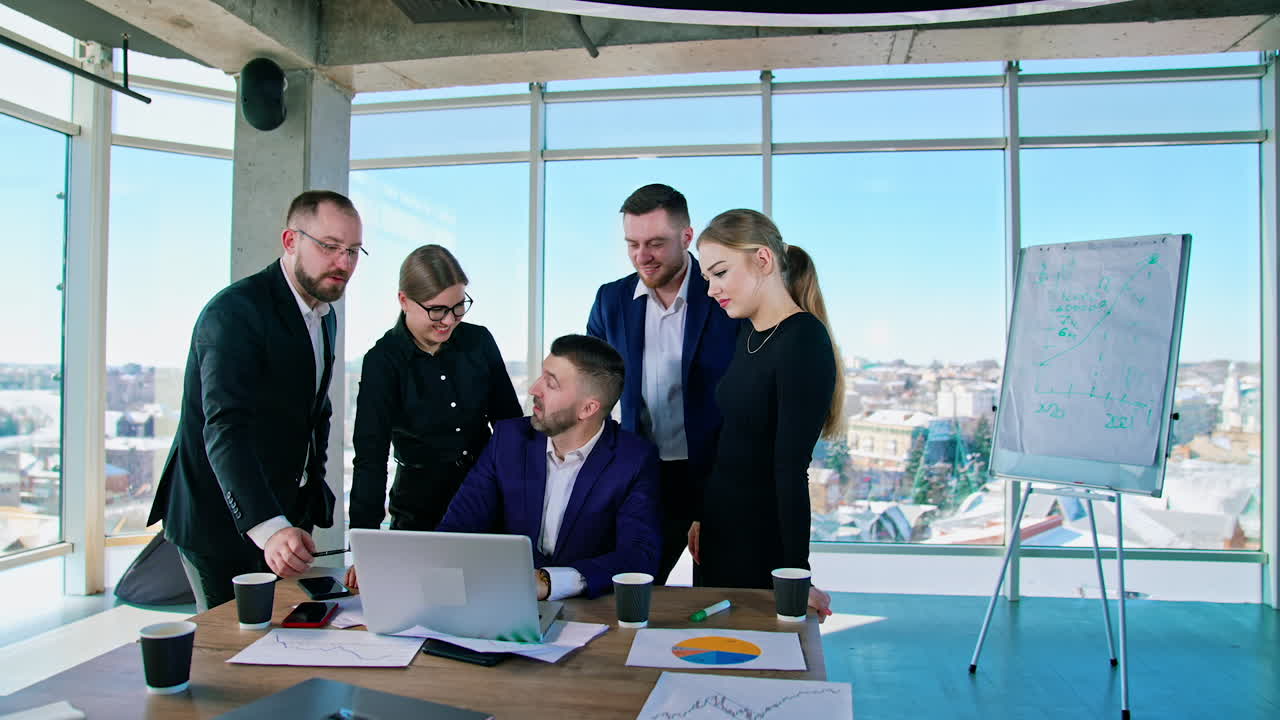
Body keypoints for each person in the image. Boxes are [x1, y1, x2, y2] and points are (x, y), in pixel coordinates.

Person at [147, 190, 363, 612]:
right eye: (330, 247)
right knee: (230, 647)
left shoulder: (325, 315)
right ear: (290, 241)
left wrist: (304, 502)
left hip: (285, 516)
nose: (344, 263)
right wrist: (271, 528)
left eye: (354, 250)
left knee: (281, 640)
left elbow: (316, 414)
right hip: (218, 519)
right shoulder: (234, 313)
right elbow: (225, 429)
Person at [348, 334, 660, 601]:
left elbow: (639, 557)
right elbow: (458, 529)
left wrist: (549, 581)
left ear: (588, 408)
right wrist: (394, 565)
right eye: (541, 375)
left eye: (550, 384)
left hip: (597, 613)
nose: (534, 389)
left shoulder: (634, 459)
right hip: (505, 606)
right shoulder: (509, 440)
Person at [690, 208, 842, 620]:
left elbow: (791, 469)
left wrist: (796, 575)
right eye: (706, 278)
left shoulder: (804, 340)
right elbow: (731, 441)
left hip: (760, 546)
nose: (711, 290)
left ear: (763, 260)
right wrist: (702, 515)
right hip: (717, 535)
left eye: (719, 273)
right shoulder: (746, 332)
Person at [587, 184, 739, 586]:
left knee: (717, 592)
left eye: (655, 243)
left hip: (718, 473)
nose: (642, 256)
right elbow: (592, 391)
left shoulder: (724, 297)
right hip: (646, 472)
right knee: (634, 587)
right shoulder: (610, 301)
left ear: (687, 238)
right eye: (632, 244)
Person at [344, 245, 522, 589]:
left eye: (458, 307)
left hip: (485, 501)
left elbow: (509, 427)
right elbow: (370, 457)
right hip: (419, 512)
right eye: (437, 310)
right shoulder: (383, 361)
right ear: (404, 300)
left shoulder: (479, 341)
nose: (450, 320)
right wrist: (365, 548)